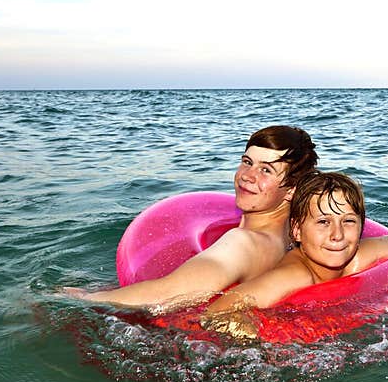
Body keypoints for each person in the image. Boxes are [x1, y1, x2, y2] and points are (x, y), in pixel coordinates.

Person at [62, 125, 319, 310]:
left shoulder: (244, 242)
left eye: (266, 170)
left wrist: (78, 299)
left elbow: (166, 295)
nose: (247, 175)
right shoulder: (292, 234)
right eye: (246, 161)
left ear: (293, 189)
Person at [200, 171, 388, 338]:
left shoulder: (360, 255)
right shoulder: (293, 275)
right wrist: (261, 336)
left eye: (348, 221)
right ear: (297, 230)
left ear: (361, 227)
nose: (337, 235)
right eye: (323, 221)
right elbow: (215, 313)